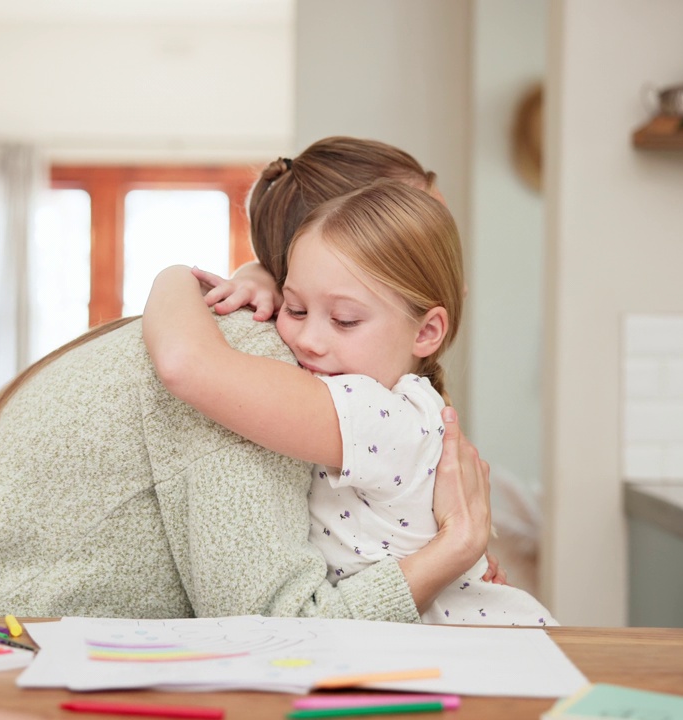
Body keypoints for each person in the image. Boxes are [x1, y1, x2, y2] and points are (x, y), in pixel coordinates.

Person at [0, 137, 498, 621]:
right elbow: (274, 630)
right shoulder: (256, 359)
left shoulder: (289, 347)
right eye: (415, 231)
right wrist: (447, 557)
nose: (447, 266)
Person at [142, 181, 553, 626]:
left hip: (485, 646)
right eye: (295, 309)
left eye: (344, 320)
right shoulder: (404, 403)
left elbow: (187, 364)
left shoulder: (378, 415)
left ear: (426, 332)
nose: (308, 340)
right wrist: (255, 275)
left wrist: (174, 275)